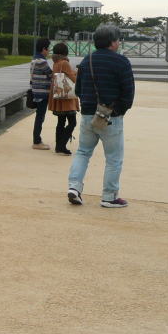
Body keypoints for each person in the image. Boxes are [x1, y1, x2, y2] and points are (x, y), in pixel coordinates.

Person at [67, 24, 135, 207]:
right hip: (111, 116)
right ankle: (109, 196)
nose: (119, 43)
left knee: (83, 152)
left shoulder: (87, 60)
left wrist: (88, 104)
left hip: (88, 114)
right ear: (112, 42)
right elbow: (128, 94)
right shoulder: (121, 62)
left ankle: (74, 187)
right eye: (118, 40)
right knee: (113, 158)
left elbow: (78, 90)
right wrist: (118, 111)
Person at [48, 42, 79, 155]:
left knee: (61, 122)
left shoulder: (56, 63)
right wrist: (77, 73)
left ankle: (58, 146)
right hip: (67, 98)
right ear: (65, 52)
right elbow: (73, 78)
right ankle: (61, 145)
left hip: (59, 95)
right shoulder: (65, 63)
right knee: (72, 122)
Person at [30, 38, 52, 150]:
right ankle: (37, 141)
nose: (49, 51)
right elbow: (51, 75)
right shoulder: (42, 62)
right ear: (44, 49)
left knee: (39, 116)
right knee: (40, 117)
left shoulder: (34, 60)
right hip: (42, 93)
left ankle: (37, 140)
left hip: (36, 92)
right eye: (48, 49)